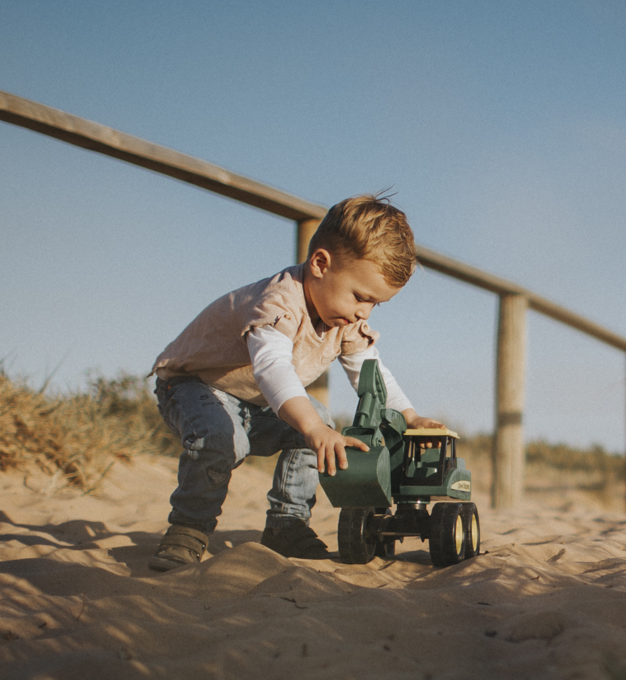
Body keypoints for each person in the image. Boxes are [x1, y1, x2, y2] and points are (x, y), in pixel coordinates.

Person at [146, 193, 444, 572]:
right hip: (191, 386)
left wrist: (409, 415)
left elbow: (372, 374)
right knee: (225, 438)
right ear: (321, 263)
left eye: (375, 305)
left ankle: (287, 524)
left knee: (320, 423)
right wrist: (311, 427)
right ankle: (188, 529)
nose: (363, 312)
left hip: (252, 402)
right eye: (359, 296)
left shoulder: (344, 321)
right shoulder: (279, 302)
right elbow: (271, 367)